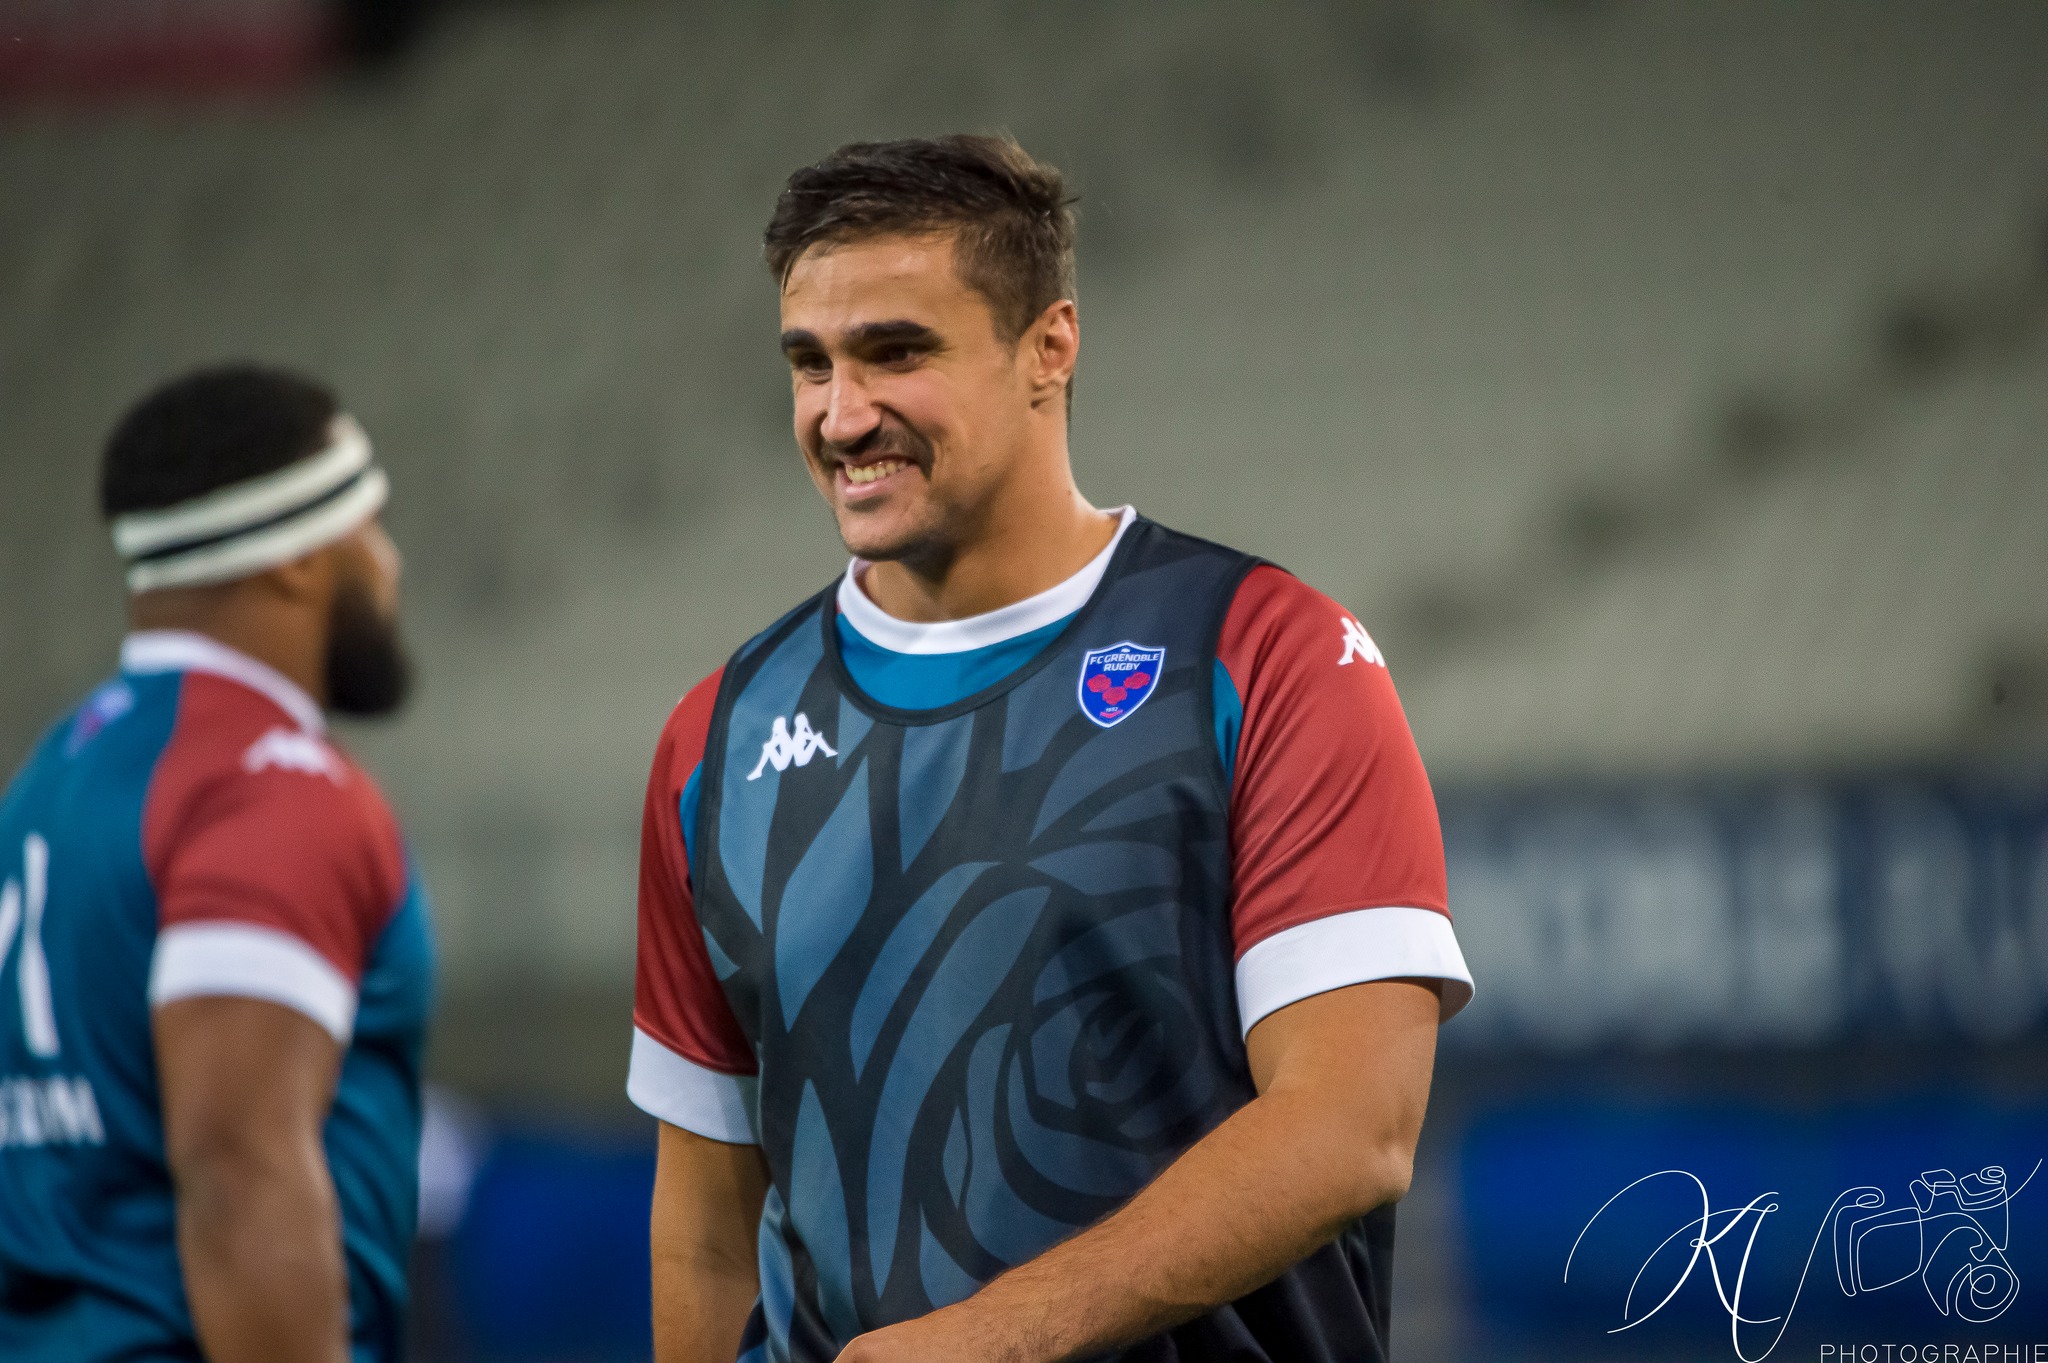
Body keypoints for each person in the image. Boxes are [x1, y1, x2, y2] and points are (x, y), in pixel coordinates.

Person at [628, 136, 1473, 1363]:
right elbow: (703, 1231)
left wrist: (992, 1340)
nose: (839, 412)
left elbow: (1351, 1127)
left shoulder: (1264, 656)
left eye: (895, 351)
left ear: (1050, 347)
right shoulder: (715, 736)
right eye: (808, 363)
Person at [0, 366, 434, 1363]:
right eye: (369, 527)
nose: (390, 562)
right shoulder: (272, 781)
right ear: (298, 559)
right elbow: (238, 1169)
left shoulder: (53, 771)